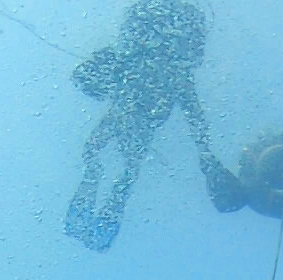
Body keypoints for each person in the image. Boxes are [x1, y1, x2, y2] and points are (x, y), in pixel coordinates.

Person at [65, 0, 243, 253]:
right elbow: (195, 114)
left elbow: (92, 75)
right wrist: (205, 152)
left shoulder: (141, 63)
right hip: (137, 114)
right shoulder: (176, 72)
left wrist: (205, 152)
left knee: (108, 158)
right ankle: (101, 224)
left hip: (129, 111)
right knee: (122, 164)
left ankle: (97, 221)